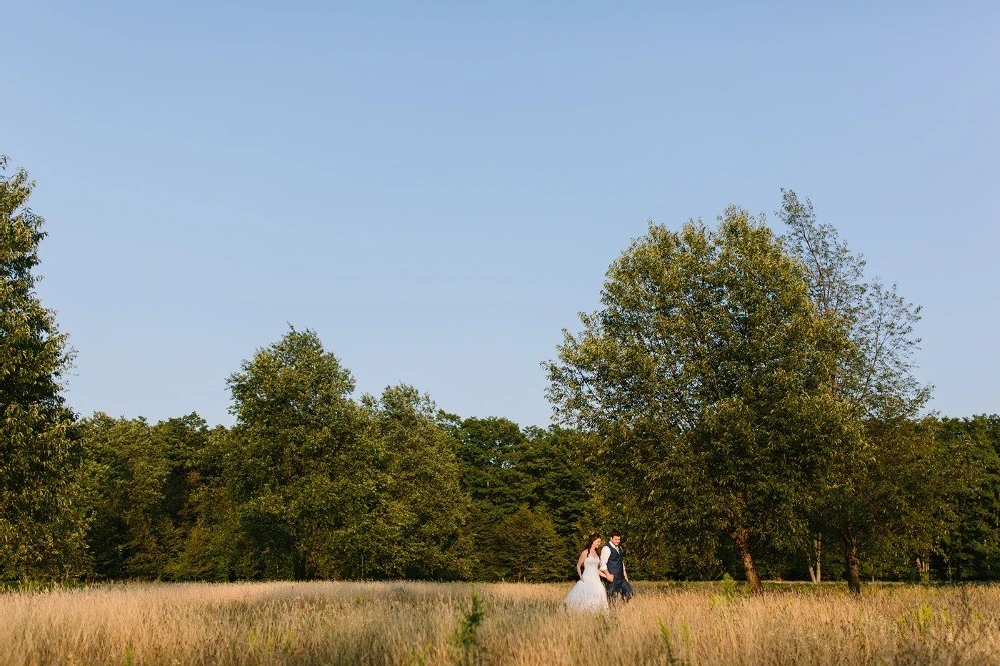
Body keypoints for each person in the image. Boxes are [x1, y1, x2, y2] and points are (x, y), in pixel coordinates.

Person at [563, 533, 614, 611]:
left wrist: (606, 576)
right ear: (593, 541)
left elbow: (596, 569)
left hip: (596, 580)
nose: (599, 544)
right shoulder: (585, 552)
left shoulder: (597, 553)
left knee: (600, 591)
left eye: (600, 542)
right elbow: (578, 566)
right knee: (586, 596)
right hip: (587, 579)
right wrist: (581, 577)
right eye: (598, 542)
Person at [600, 531, 633, 603]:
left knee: (629, 592)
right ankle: (613, 612)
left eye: (619, 539)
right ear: (611, 538)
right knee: (612, 599)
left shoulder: (620, 548)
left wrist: (625, 576)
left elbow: (621, 563)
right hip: (612, 579)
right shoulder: (606, 548)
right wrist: (608, 575)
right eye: (616, 539)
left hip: (621, 578)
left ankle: (621, 607)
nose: (617, 541)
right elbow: (602, 564)